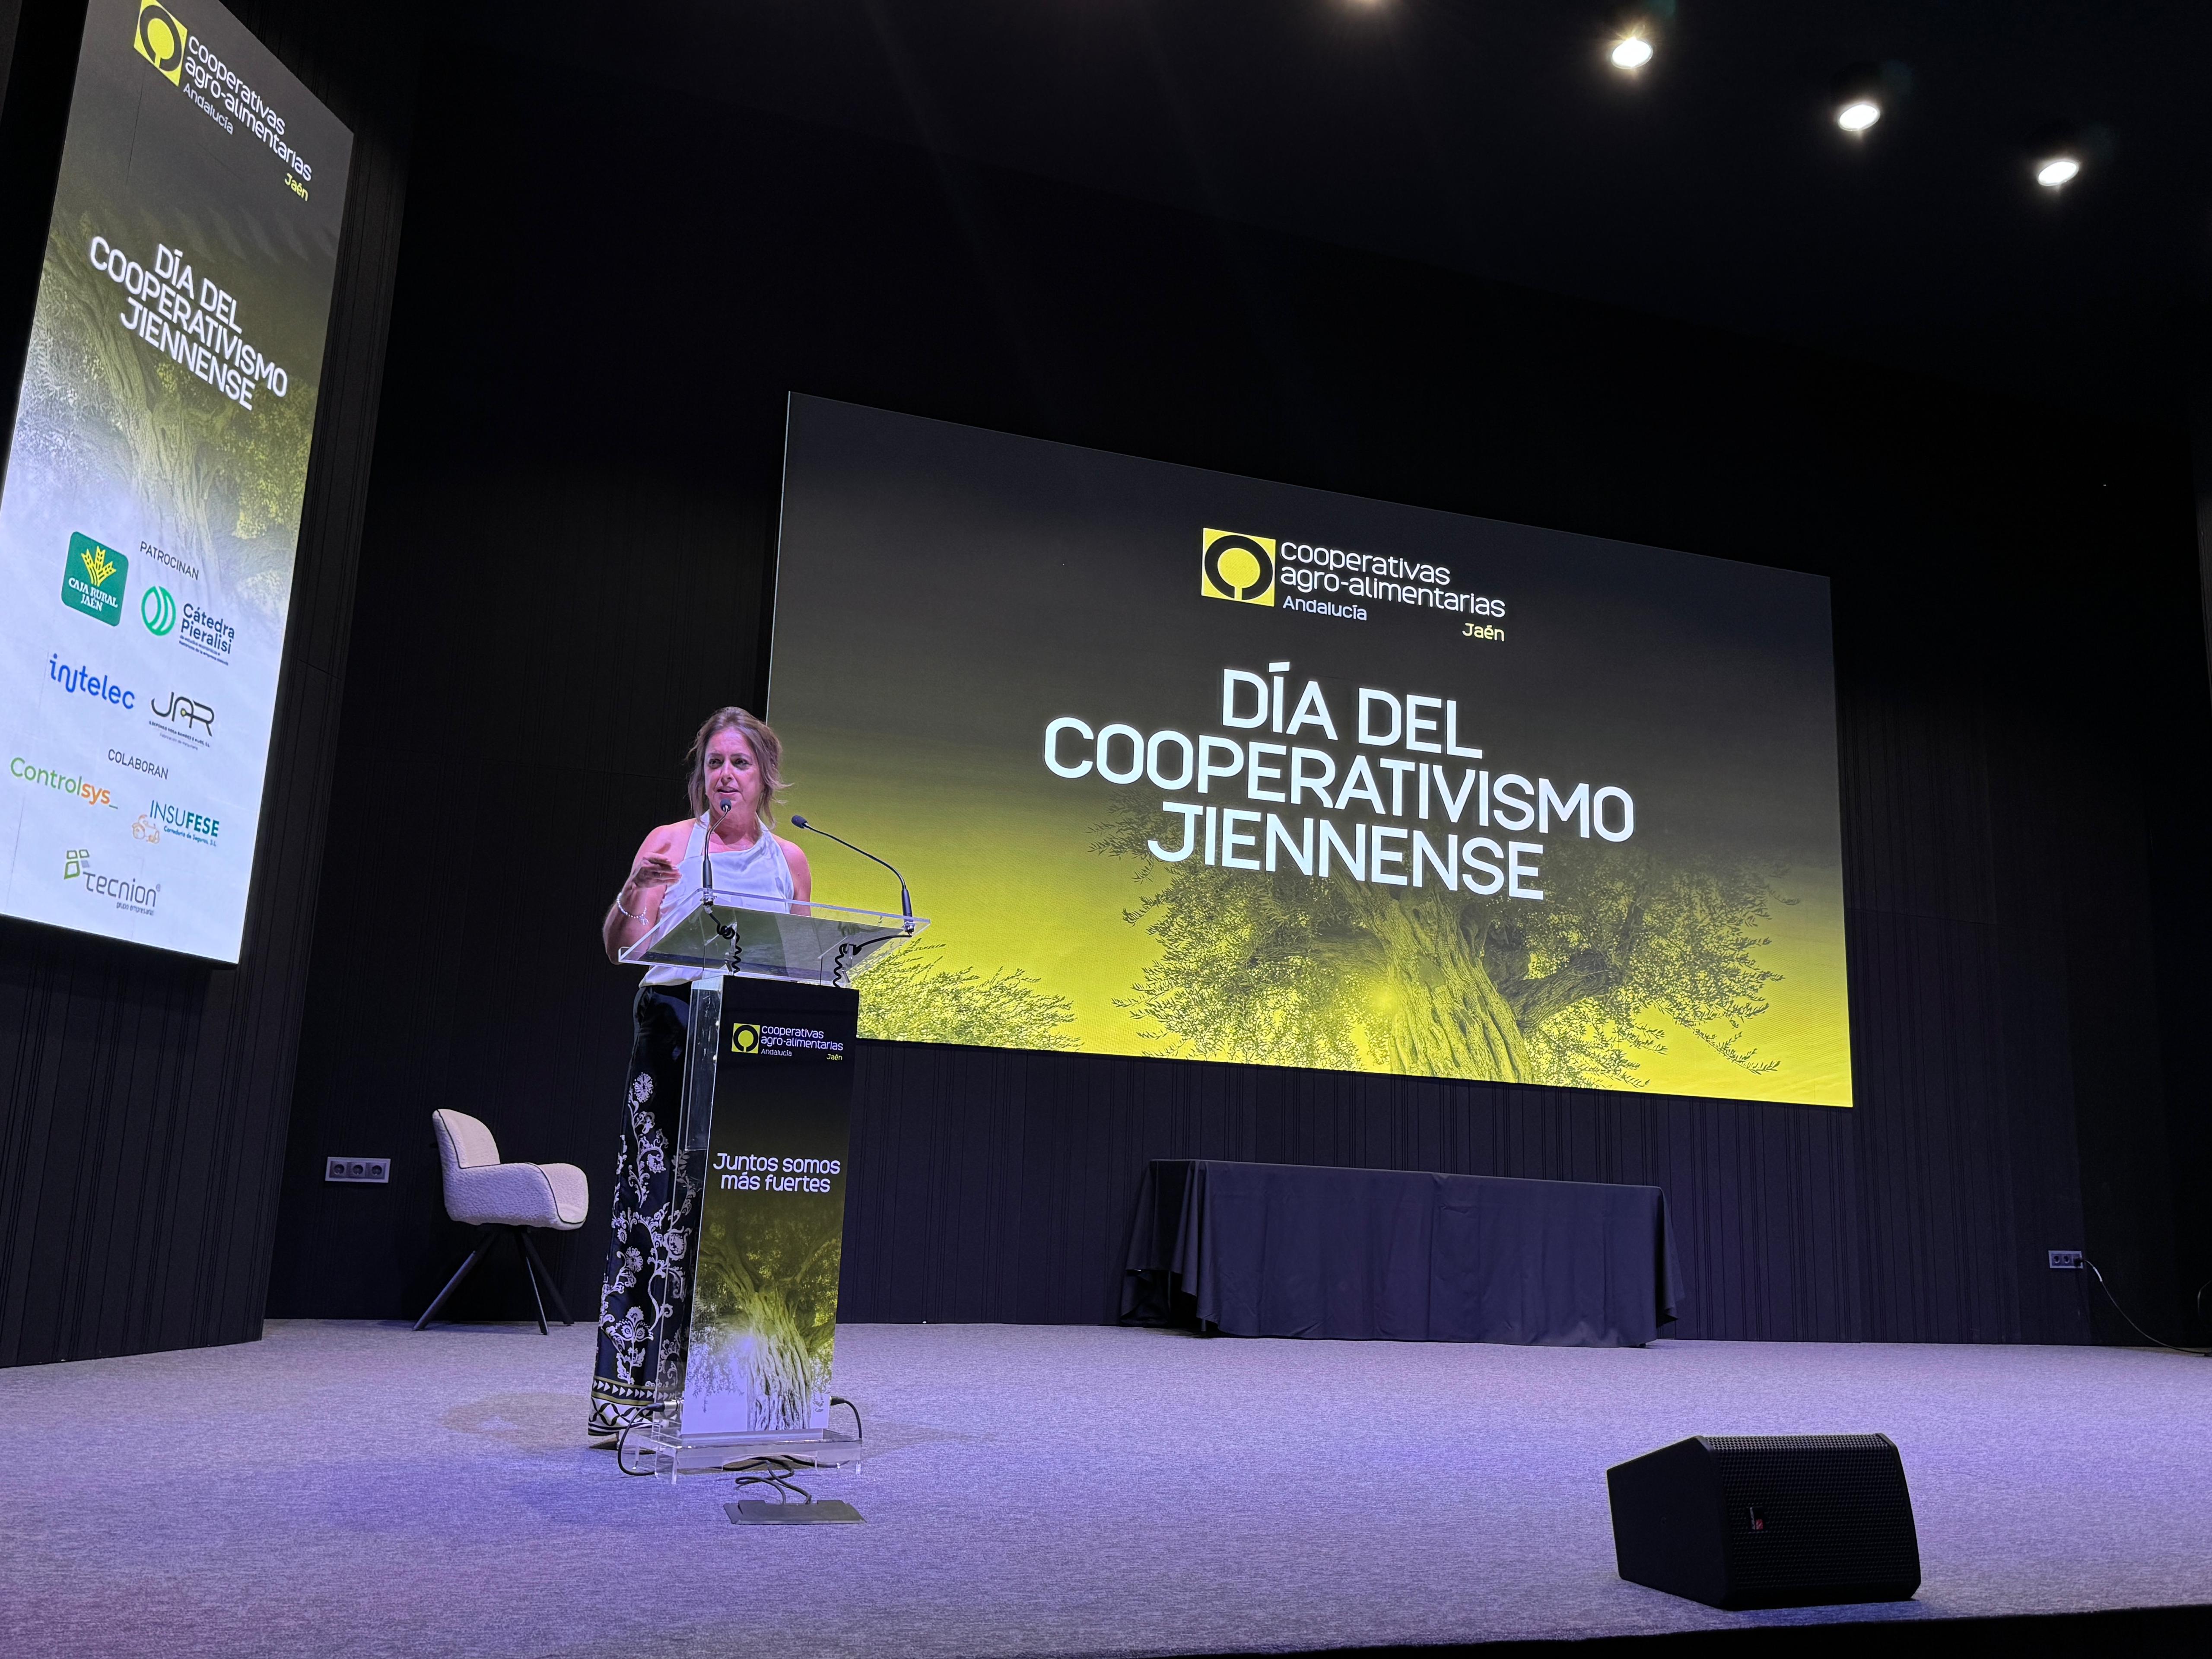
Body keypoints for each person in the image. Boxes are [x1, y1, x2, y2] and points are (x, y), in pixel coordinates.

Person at [588, 707, 812, 1439]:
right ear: (701, 776)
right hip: (674, 1032)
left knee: (743, 1217)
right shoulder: (669, 844)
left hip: (755, 1040)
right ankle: (638, 1394)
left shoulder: (791, 862)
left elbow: (805, 964)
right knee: (658, 1209)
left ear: (764, 777)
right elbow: (622, 948)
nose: (725, 776)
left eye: (740, 764)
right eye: (715, 763)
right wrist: (631, 889)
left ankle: (743, 1399)